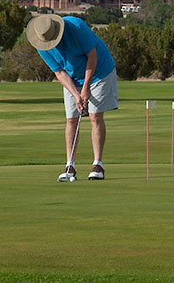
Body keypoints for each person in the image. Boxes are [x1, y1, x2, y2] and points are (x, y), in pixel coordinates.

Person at [26, 13, 118, 182]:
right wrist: (76, 94)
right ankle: (70, 165)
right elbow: (59, 72)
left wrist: (85, 89)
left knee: (95, 116)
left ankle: (98, 165)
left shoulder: (76, 27)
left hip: (99, 72)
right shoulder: (41, 45)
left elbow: (93, 57)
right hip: (71, 78)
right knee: (71, 119)